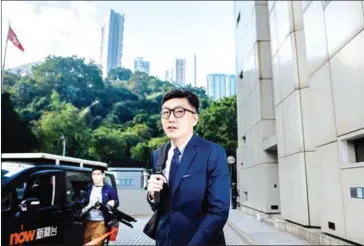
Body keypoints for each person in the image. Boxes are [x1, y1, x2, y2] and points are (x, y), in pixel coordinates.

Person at [147, 89, 230, 246]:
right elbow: (161, 207)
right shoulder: (158, 154)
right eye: (165, 112)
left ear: (194, 118)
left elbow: (218, 211)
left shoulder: (213, 152)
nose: (171, 118)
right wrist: (152, 195)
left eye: (179, 112)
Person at [83, 166, 119, 246]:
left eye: (98, 174)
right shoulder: (89, 187)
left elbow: (117, 202)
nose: (96, 177)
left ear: (103, 175)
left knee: (95, 243)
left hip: (101, 221)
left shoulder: (109, 189)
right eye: (94, 174)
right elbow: (85, 200)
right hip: (89, 220)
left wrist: (113, 203)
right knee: (86, 241)